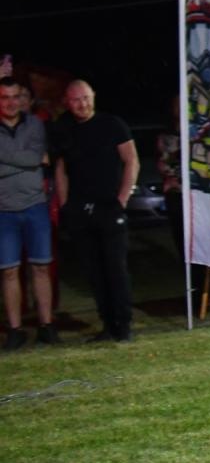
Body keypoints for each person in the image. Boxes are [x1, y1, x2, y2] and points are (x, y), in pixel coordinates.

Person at [54, 80, 138, 343]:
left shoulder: (112, 124)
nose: (83, 104)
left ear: (94, 97)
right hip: (81, 210)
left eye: (87, 98)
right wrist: (66, 204)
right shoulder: (63, 129)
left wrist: (122, 199)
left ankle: (123, 325)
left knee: (115, 268)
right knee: (93, 271)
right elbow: (60, 169)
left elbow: (131, 160)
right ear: (67, 102)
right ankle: (107, 323)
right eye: (77, 100)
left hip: (109, 208)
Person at [0, 76, 56, 348]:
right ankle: (15, 329)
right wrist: (30, 161)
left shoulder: (35, 124)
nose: (11, 103)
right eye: (5, 97)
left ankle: (47, 325)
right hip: (3, 210)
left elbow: (41, 157)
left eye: (15, 97)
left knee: (41, 268)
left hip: (35, 206)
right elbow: (34, 159)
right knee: (9, 271)